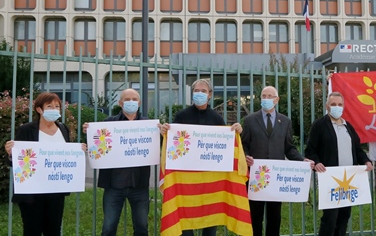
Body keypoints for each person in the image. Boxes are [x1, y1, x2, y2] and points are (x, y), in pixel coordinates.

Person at [159, 79, 243, 236]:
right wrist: (165, 133)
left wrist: (237, 132)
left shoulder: (216, 118)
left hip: (210, 181)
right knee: (185, 221)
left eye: (203, 91)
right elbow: (171, 144)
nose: (199, 94)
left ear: (210, 95)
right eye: (196, 91)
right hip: (187, 181)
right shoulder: (182, 116)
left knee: (210, 221)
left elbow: (227, 146)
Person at [3, 92, 87, 236]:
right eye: (49, 106)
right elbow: (16, 161)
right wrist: (11, 153)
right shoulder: (26, 130)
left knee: (53, 230)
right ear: (39, 109)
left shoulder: (63, 129)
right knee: (32, 230)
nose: (54, 109)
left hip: (56, 190)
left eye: (57, 106)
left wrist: (78, 151)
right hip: (32, 192)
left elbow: (66, 155)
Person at [241, 86, 314, 236]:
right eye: (264, 96)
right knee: (255, 216)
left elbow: (289, 148)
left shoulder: (285, 121)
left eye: (270, 96)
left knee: (275, 217)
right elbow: (244, 145)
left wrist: (302, 160)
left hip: (276, 179)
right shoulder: (249, 120)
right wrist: (246, 156)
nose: (266, 99)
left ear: (277, 99)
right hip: (256, 177)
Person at [82, 89, 150, 236]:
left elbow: (159, 145)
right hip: (114, 186)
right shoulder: (108, 124)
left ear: (139, 103)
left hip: (139, 186)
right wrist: (89, 132)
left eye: (134, 99)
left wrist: (164, 132)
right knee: (108, 228)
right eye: (127, 99)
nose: (130, 102)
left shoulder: (149, 125)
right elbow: (95, 146)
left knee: (142, 227)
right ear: (120, 103)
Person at [305, 92, 373, 236]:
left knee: (344, 216)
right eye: (333, 104)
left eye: (340, 104)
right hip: (330, 179)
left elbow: (358, 150)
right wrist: (316, 163)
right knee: (330, 217)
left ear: (343, 107)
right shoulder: (319, 125)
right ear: (327, 106)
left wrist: (366, 161)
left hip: (348, 180)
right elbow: (310, 151)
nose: (337, 107)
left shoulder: (348, 127)